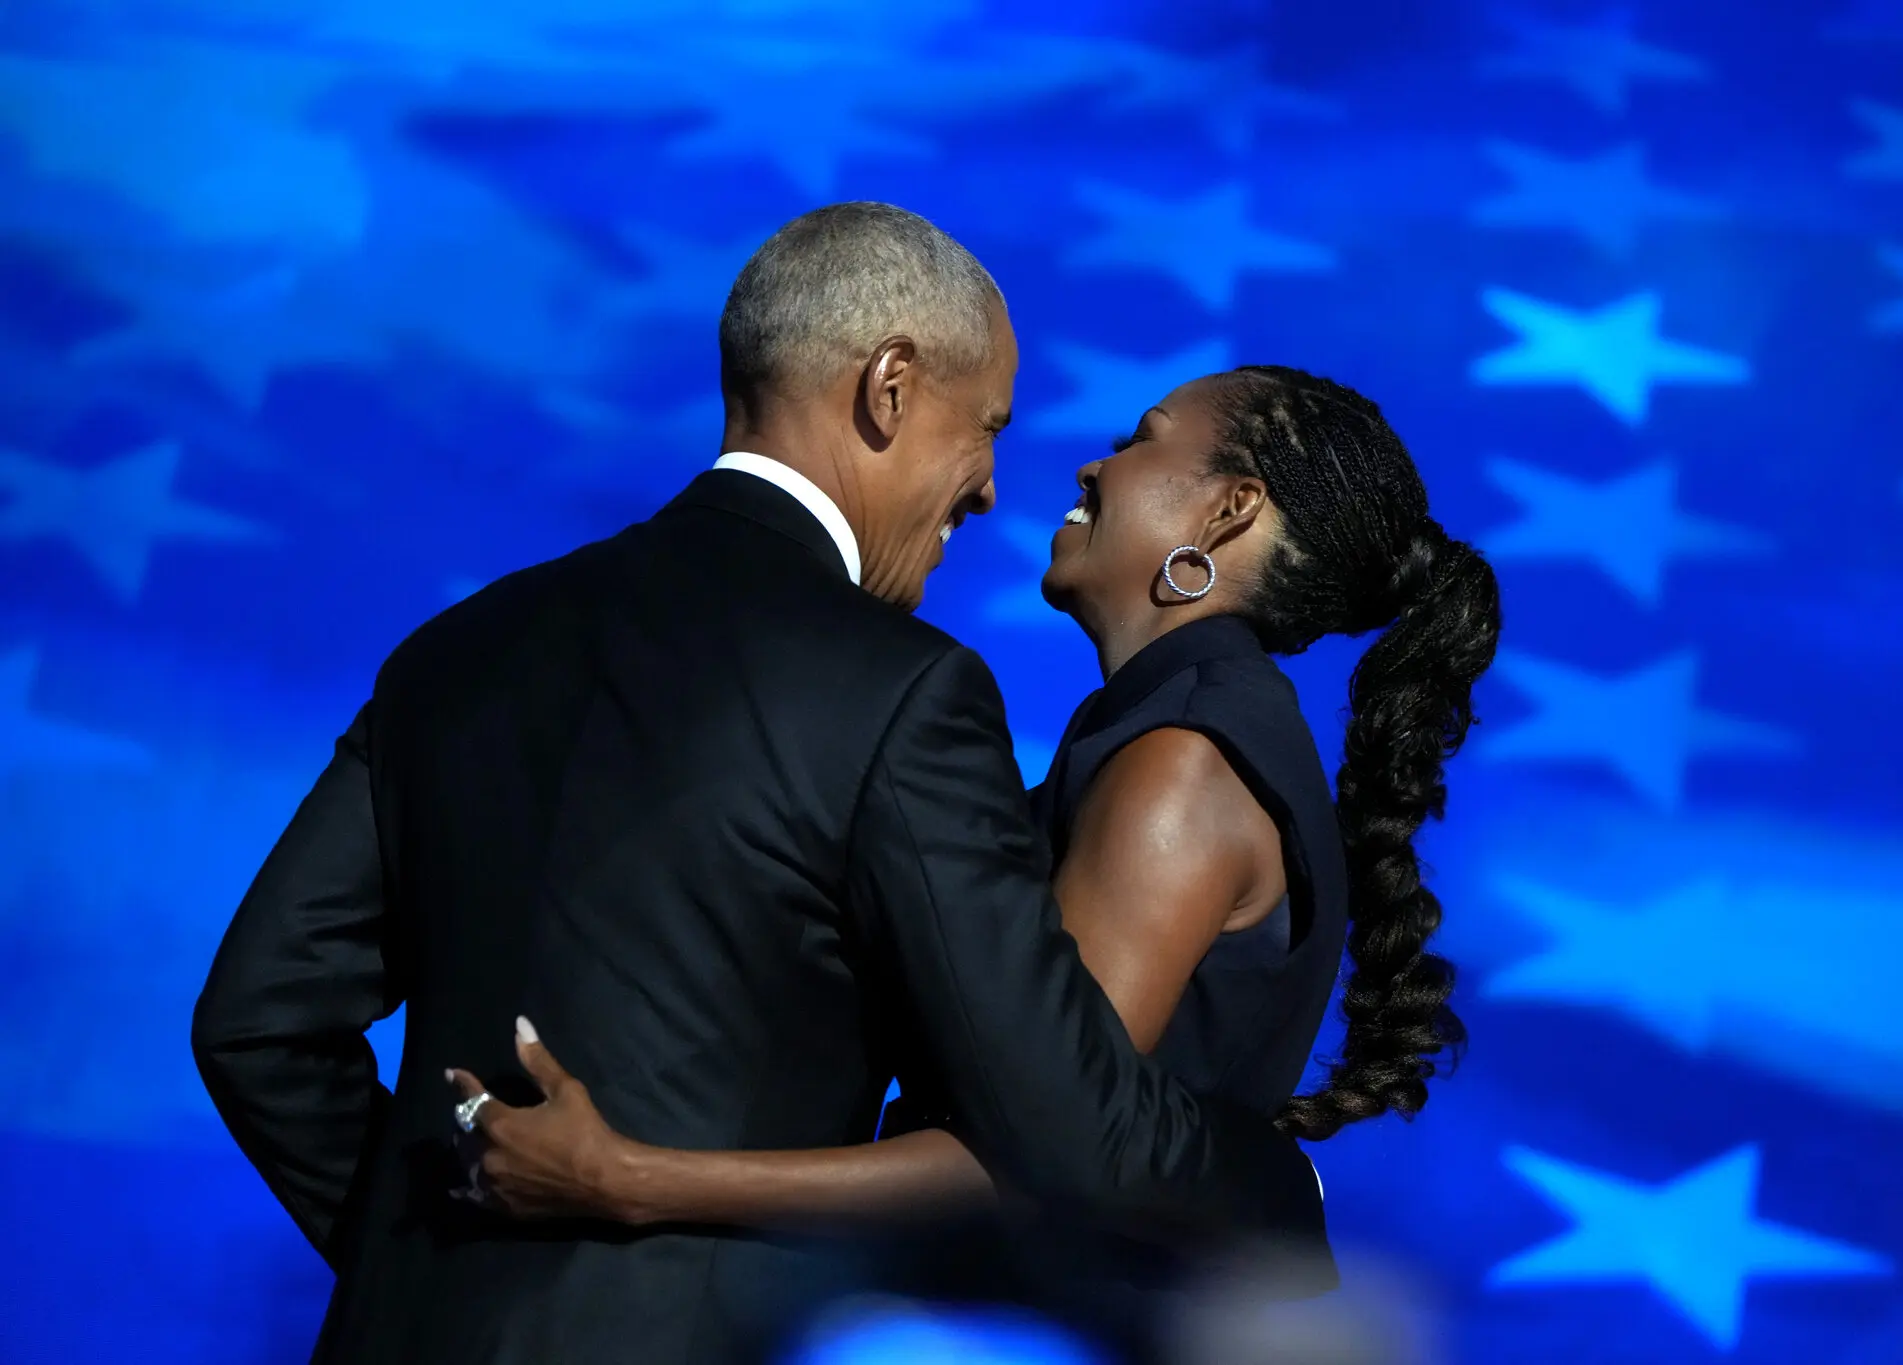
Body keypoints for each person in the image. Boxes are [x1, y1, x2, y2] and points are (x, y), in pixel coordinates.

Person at [190, 204, 1325, 1365]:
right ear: (889, 390)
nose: (986, 491)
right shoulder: (902, 692)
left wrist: (428, 1266)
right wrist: (1267, 1175)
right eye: (984, 427)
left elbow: (256, 1023)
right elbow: (1062, 1121)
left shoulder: (454, 652)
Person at [445, 366, 1503, 1305]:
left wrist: (627, 1179)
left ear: (1226, 513)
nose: (1094, 465)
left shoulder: (1180, 761)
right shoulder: (1171, 729)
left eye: (1141, 437)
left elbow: (1051, 1146)